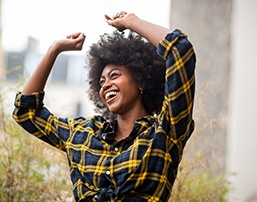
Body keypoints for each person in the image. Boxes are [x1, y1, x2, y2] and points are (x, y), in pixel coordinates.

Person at [12, 11, 196, 202]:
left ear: (141, 81)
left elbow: (180, 51)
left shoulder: (165, 131)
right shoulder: (83, 134)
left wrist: (132, 22)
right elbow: (27, 113)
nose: (105, 85)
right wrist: (54, 49)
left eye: (114, 75)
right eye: (101, 82)